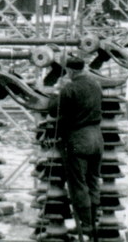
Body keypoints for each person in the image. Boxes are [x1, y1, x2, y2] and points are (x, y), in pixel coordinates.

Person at [52, 55, 103, 242]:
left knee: (78, 184)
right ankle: (93, 221)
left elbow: (53, 109)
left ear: (71, 71)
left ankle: (86, 225)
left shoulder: (70, 87)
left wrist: (57, 92)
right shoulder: (96, 85)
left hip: (78, 140)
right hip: (97, 140)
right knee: (92, 181)